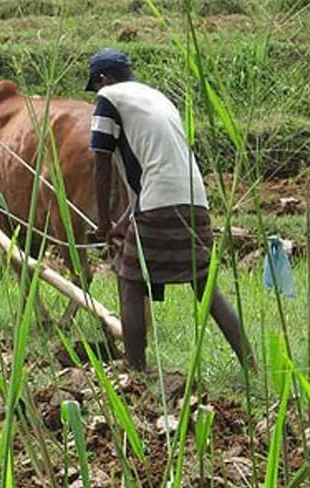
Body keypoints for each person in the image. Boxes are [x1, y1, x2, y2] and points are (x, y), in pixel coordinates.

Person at [85, 48, 257, 372]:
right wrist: (126, 221)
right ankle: (251, 366)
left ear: (103, 79)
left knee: (130, 280)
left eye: (94, 85)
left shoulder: (108, 97)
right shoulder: (156, 98)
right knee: (205, 285)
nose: (97, 91)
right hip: (195, 199)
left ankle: (135, 371)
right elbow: (155, 164)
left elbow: (101, 164)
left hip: (159, 201)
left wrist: (104, 224)